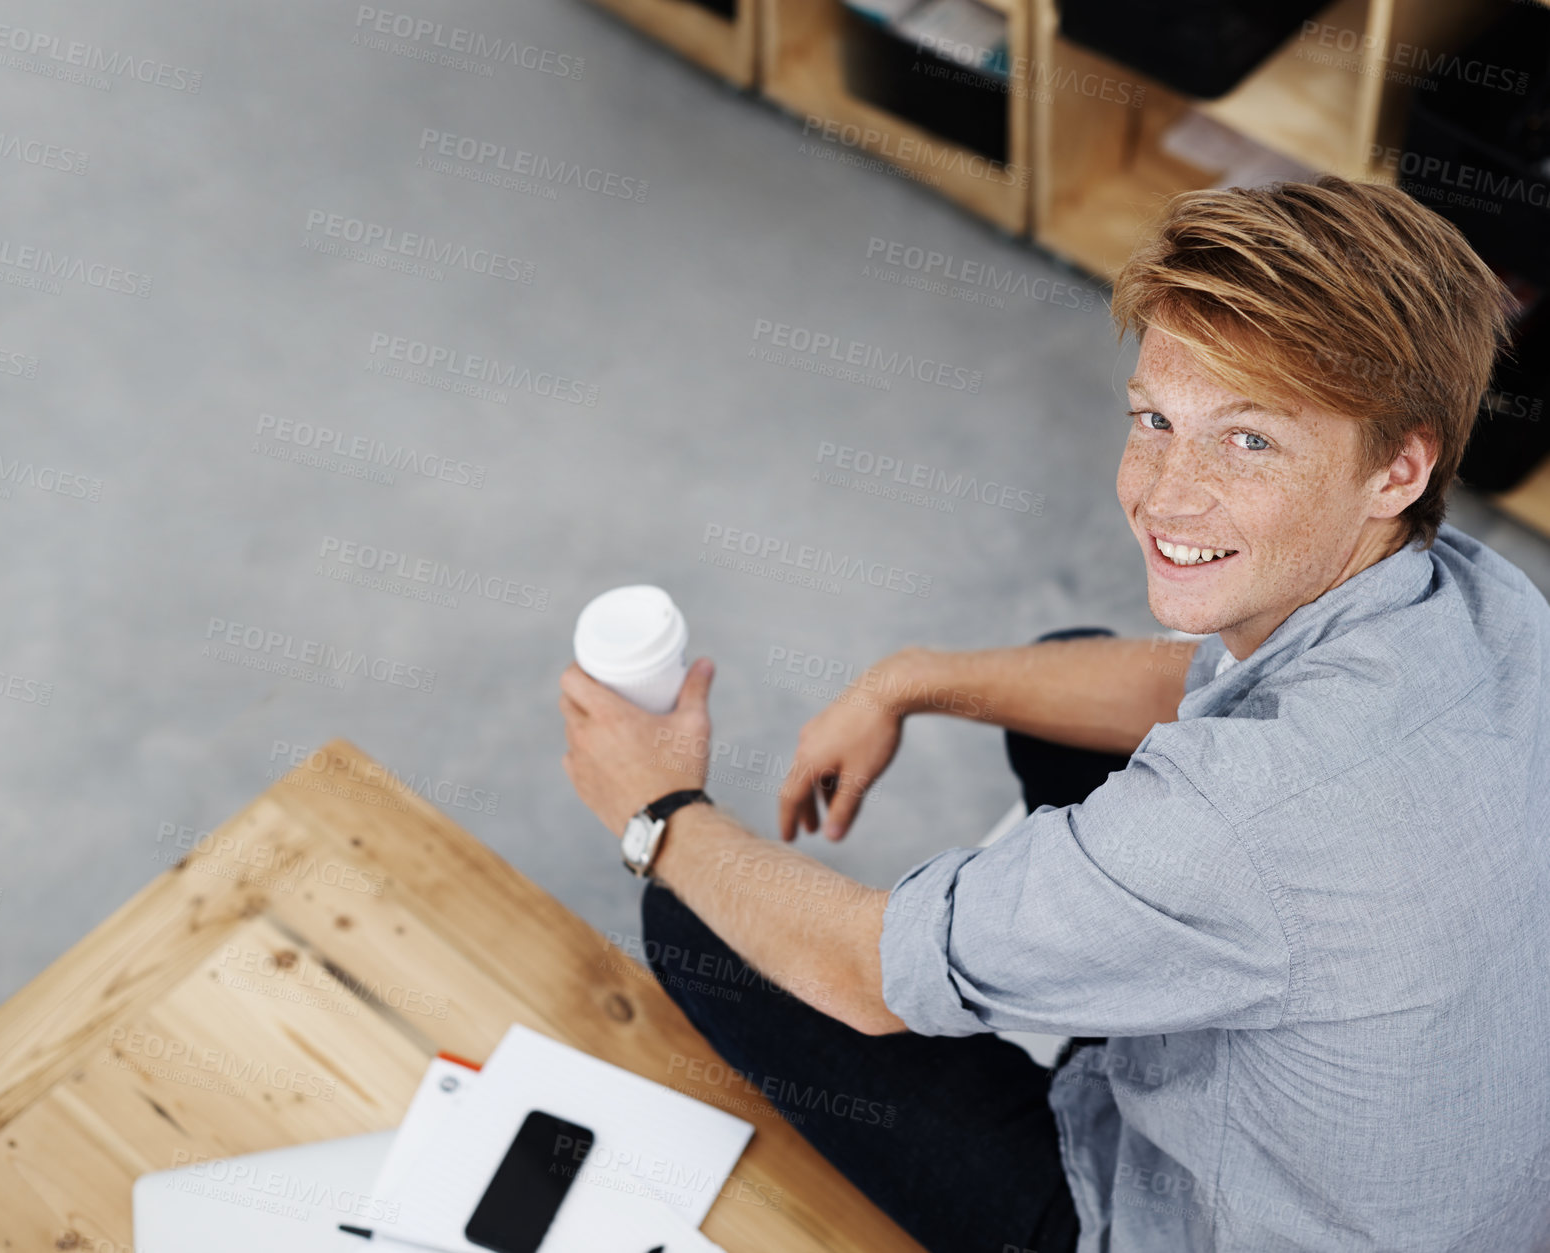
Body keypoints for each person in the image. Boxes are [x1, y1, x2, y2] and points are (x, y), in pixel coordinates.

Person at [557, 175, 1550, 1252]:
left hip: (1216, 1222)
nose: (1168, 493)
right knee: (1060, 682)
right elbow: (1190, 685)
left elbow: (861, 971)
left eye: (1251, 440)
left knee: (699, 917)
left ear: (1396, 466)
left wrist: (652, 804)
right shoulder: (1487, 600)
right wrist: (914, 676)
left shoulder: (1239, 822)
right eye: (1157, 419)